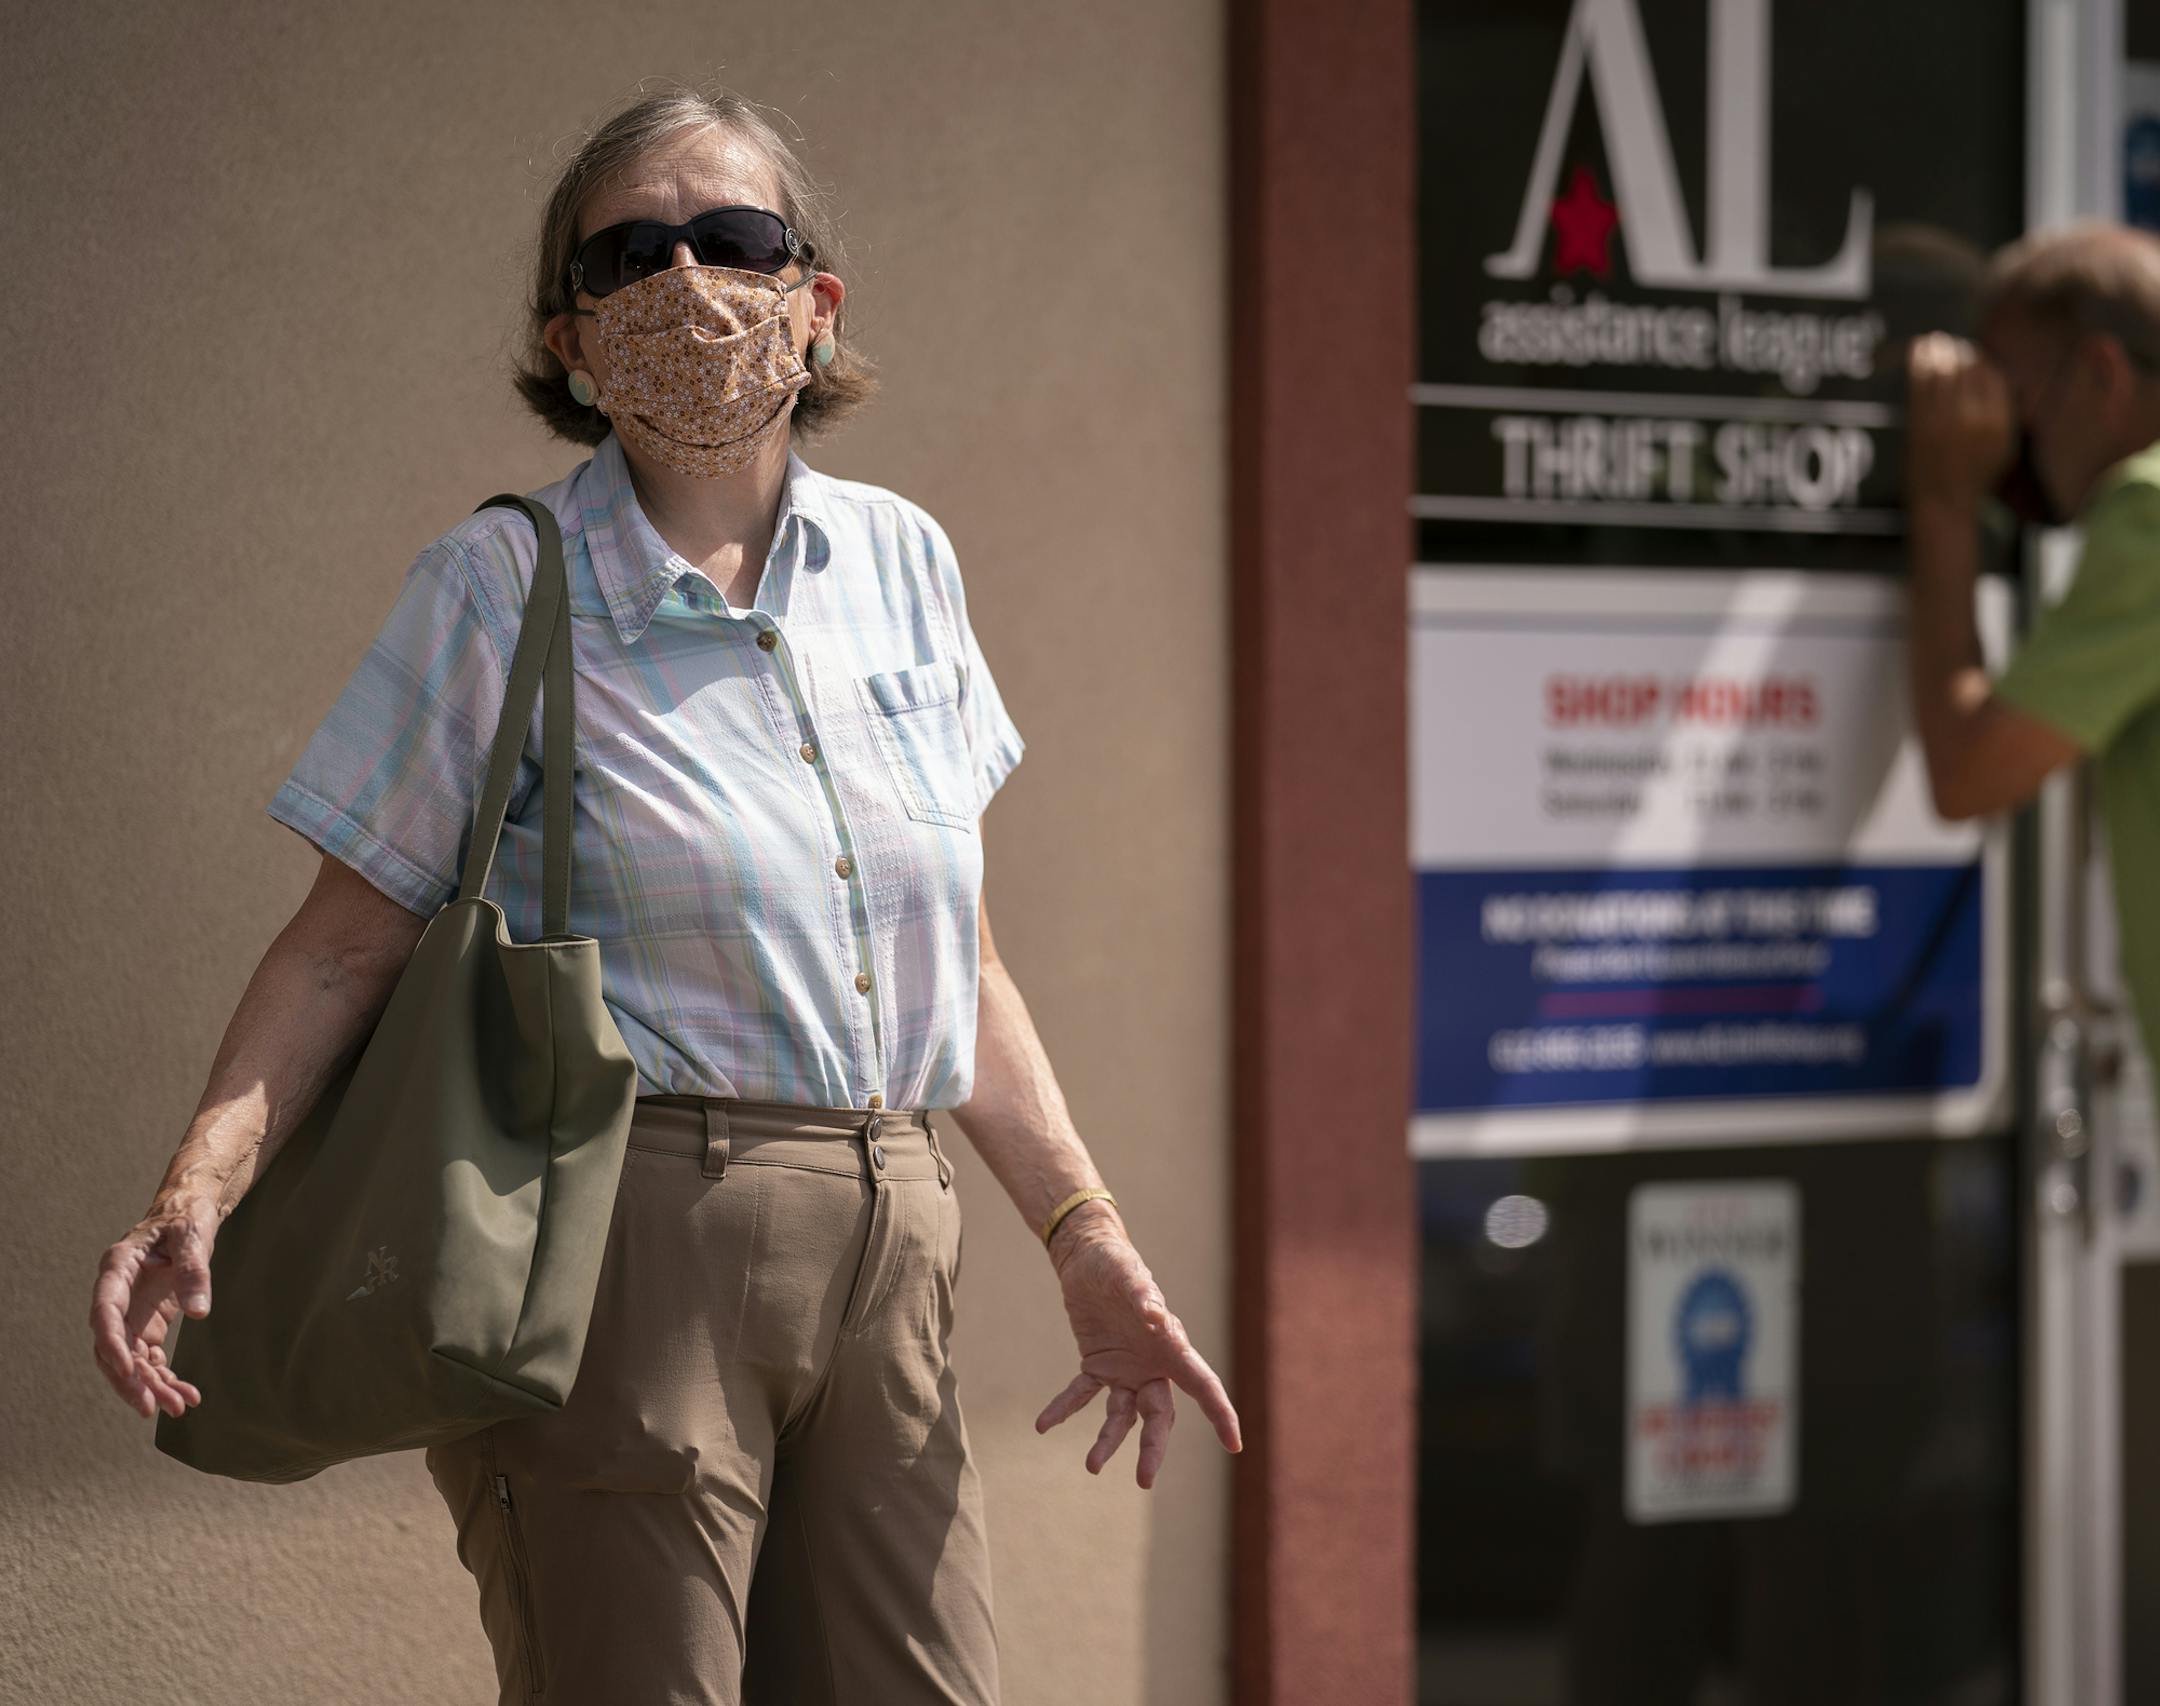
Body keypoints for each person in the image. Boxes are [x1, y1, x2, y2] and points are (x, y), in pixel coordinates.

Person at [87, 84, 1241, 1705]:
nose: (685, 279)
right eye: (628, 253)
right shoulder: (502, 585)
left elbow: (953, 955)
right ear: (568, 338)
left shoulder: (906, 561)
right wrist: (193, 1190)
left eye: (734, 237)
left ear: (814, 301)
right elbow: (347, 944)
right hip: (632, 1231)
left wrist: (1086, 1231)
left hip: (896, 1232)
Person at [1904, 221, 2160, 1076]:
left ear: (2100, 373)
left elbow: (1972, 773)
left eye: (2008, 401)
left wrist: (1943, 502)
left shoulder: (2150, 514)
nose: (2002, 440)